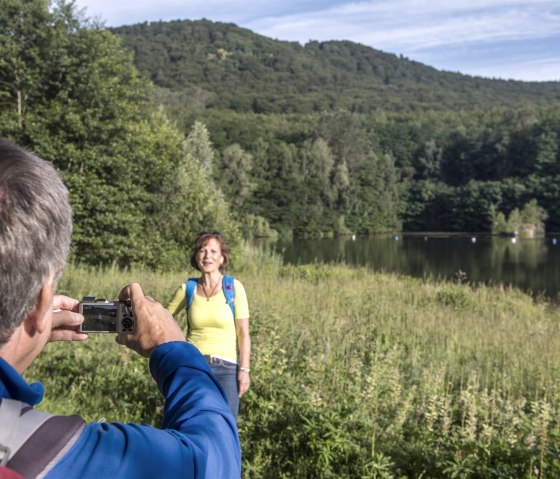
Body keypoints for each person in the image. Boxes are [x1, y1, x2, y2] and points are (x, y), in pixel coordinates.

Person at [0, 138, 241, 478]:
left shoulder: (234, 288)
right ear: (42, 301)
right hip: (197, 366)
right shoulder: (48, 453)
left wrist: (23, 336)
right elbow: (215, 459)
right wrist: (172, 350)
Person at [167, 232, 251, 419]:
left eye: (213, 251)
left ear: (222, 258)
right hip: (192, 366)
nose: (207, 256)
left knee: (226, 427)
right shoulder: (187, 288)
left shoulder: (233, 288)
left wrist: (244, 370)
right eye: (202, 251)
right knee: (189, 423)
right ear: (196, 256)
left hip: (227, 369)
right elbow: (163, 319)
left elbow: (243, 333)